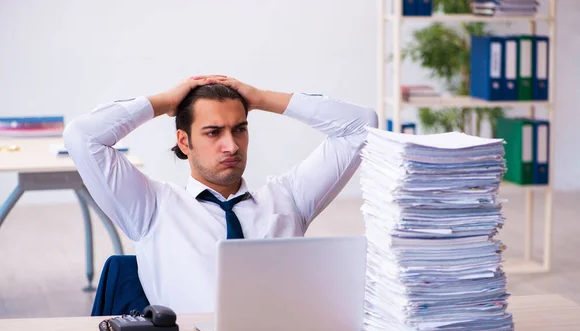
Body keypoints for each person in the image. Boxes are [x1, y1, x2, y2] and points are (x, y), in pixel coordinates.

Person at [63, 75, 378, 313]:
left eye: (239, 129)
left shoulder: (288, 199)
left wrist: (262, 98)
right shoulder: (152, 207)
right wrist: (163, 102)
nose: (232, 145)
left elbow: (361, 125)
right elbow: (82, 136)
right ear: (185, 143)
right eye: (213, 133)